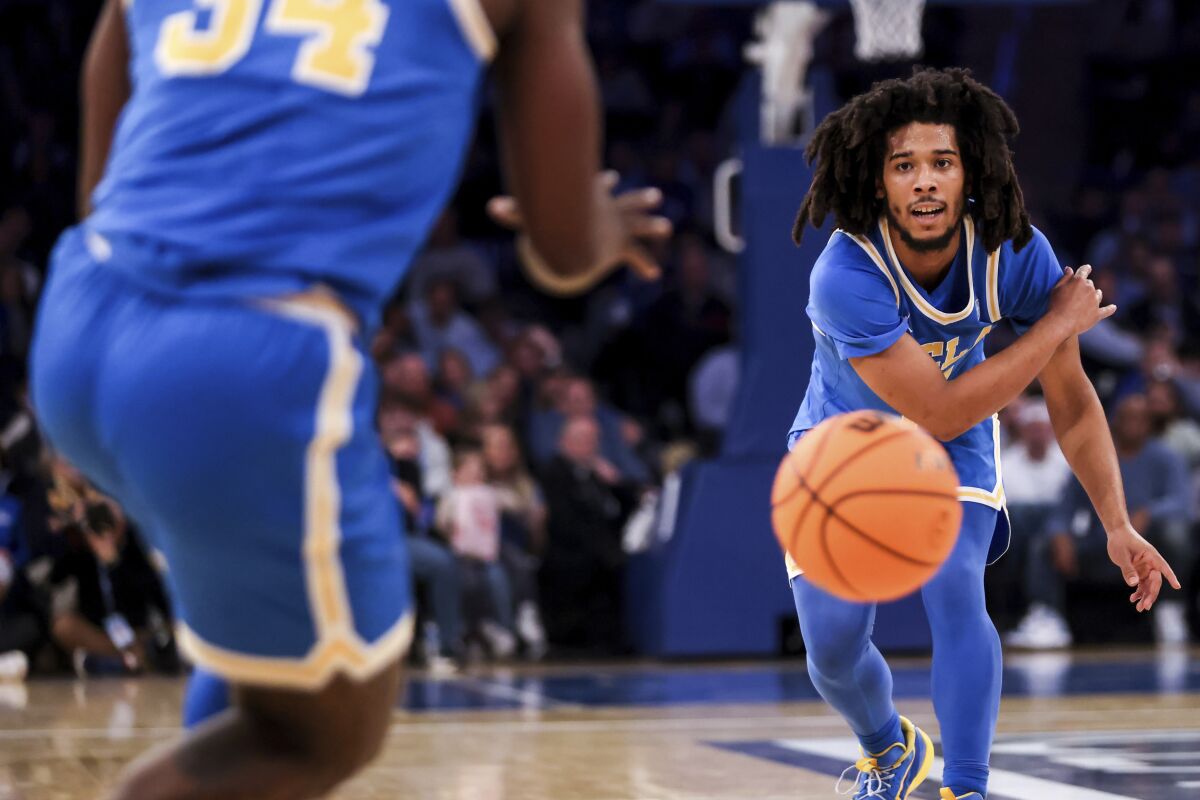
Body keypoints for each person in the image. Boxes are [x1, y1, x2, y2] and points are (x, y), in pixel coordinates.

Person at [29, 1, 670, 798]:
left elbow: (113, 62)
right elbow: (563, 251)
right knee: (315, 734)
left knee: (258, 651)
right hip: (244, 356)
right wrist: (604, 225)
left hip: (82, 309)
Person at [787, 67, 1179, 800]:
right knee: (833, 649)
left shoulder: (1014, 252)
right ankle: (888, 748)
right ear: (878, 184)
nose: (926, 182)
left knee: (956, 585)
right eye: (905, 166)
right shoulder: (844, 273)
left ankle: (964, 787)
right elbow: (937, 407)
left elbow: (1070, 398)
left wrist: (1117, 523)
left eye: (943, 162)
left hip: (950, 450)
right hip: (846, 450)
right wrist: (1060, 323)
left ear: (971, 174)